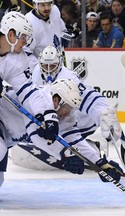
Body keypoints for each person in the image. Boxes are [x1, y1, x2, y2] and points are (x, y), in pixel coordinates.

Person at [0, 11, 59, 188]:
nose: (26, 42)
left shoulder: (17, 59)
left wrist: (47, 115)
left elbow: (28, 92)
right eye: (23, 37)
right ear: (11, 34)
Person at [24, 0, 78, 70]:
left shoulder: (54, 11)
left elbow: (61, 30)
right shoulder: (29, 23)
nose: (47, 8)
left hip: (58, 64)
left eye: (49, 4)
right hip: (42, 69)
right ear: (35, 5)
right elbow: (26, 54)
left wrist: (67, 35)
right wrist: (42, 67)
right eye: (43, 5)